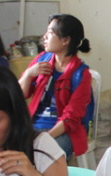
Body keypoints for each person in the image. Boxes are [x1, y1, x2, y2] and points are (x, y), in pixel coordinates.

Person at [19, 14, 92, 160]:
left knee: (42, 156)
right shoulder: (41, 61)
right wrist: (28, 74)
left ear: (65, 40)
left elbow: (71, 118)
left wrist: (44, 138)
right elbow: (19, 96)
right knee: (8, 148)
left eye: (50, 33)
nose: (44, 37)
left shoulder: (81, 75)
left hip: (62, 131)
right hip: (33, 125)